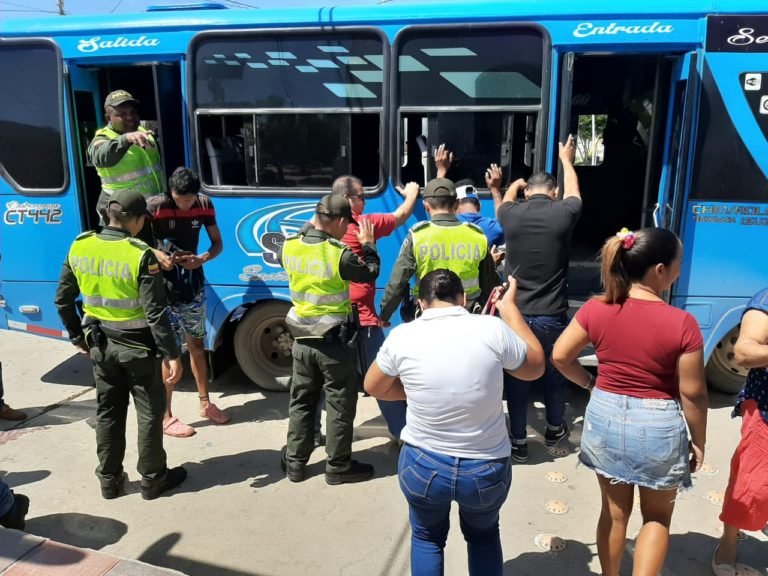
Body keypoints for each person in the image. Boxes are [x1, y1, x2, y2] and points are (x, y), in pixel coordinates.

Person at [364, 269, 544, 576]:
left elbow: (373, 386)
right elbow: (534, 367)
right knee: (484, 535)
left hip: (422, 462)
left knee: (426, 537)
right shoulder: (491, 329)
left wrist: (412, 392)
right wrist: (510, 309)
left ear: (421, 303)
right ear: (462, 299)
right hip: (485, 467)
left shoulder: (403, 335)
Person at [551, 227, 708, 576]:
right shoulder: (682, 323)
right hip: (658, 425)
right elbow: (693, 393)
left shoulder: (596, 310)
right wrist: (698, 441)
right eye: (679, 263)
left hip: (604, 417)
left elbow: (561, 356)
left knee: (614, 513)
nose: (681, 269)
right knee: (656, 517)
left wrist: (591, 383)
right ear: (659, 271)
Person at [54, 188, 187, 501]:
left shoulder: (81, 245)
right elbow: (155, 312)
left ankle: (109, 481)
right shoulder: (139, 254)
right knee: (149, 413)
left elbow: (62, 298)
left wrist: (76, 336)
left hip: (100, 345)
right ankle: (153, 480)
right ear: (138, 220)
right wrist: (171, 354)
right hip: (139, 349)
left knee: (109, 413)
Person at [278, 194, 380, 485]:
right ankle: (337, 467)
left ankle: (295, 463)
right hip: (333, 343)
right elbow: (371, 272)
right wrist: (369, 243)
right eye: (344, 223)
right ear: (336, 221)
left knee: (302, 401)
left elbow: (304, 233)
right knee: (339, 403)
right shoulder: (339, 254)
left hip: (300, 341)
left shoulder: (289, 246)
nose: (345, 229)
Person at [311, 175, 420, 442]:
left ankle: (311, 432)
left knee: (325, 378)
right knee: (382, 376)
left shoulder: (315, 229)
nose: (364, 201)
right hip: (360, 317)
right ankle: (402, 432)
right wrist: (412, 193)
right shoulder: (365, 225)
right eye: (361, 196)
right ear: (347, 199)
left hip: (325, 317)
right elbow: (401, 215)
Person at [497, 136, 583, 463]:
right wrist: (566, 159)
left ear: (526, 191)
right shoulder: (564, 213)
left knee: (519, 378)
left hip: (515, 316)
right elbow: (574, 193)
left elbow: (504, 202)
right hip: (551, 316)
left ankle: (518, 441)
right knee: (554, 371)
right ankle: (553, 428)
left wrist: (512, 186)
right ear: (553, 192)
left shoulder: (510, 215)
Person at [147, 167, 227, 437]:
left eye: (188, 200)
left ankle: (205, 403)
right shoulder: (155, 206)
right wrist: (159, 255)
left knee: (197, 345)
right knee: (169, 351)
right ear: (170, 193)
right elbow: (135, 242)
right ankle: (165, 415)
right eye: (179, 200)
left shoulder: (204, 203)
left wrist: (201, 258)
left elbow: (217, 244)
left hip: (192, 285)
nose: (185, 205)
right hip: (163, 287)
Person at [379, 178, 498, 324]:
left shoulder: (417, 236)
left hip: (427, 316)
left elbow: (398, 282)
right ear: (456, 204)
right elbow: (490, 282)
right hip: (468, 316)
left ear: (426, 206)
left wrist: (384, 314)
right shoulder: (477, 235)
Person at [712, 287, 768, 576]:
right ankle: (727, 545)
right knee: (750, 485)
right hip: (765, 408)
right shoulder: (766, 300)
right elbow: (744, 352)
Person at [88, 90, 164, 225]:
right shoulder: (102, 138)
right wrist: (125, 139)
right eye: (122, 114)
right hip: (122, 217)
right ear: (108, 118)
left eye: (133, 112)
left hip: (149, 211)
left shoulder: (143, 132)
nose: (130, 117)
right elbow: (100, 156)